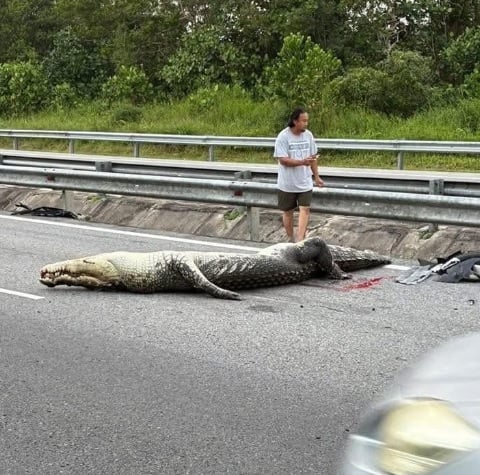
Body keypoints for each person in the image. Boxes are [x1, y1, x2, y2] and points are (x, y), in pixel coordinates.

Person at [273, 107, 324, 242]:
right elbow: (282, 160)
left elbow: (313, 158)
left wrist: (316, 177)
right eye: (303, 121)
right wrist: (302, 162)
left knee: (305, 209)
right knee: (288, 212)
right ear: (295, 121)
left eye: (307, 121)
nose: (306, 124)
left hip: (305, 181)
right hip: (287, 183)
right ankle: (291, 238)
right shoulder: (283, 137)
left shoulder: (308, 135)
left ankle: (301, 239)